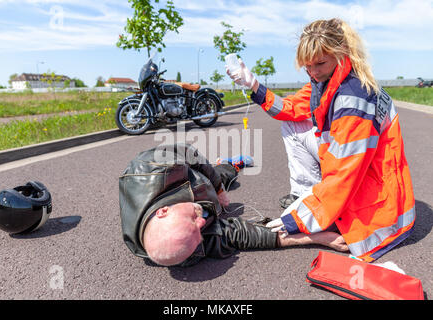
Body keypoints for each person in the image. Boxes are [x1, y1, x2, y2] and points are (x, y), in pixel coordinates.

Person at [226, 18, 415, 262]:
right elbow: (290, 108)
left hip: (376, 197)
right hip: (352, 167)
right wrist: (253, 85)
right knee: (293, 124)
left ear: (341, 53)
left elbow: (343, 177)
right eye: (307, 66)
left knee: (299, 220)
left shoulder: (353, 98)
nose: (313, 72)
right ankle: (307, 196)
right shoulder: (326, 80)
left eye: (319, 64)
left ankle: (321, 212)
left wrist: (296, 222)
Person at [119, 143, 347, 267]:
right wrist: (316, 238)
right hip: (202, 194)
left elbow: (189, 153)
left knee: (224, 176)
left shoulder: (150, 169)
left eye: (192, 219)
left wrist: (217, 189)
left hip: (198, 177)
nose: (203, 221)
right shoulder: (184, 247)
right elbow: (241, 236)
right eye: (199, 230)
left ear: (162, 211)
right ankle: (228, 168)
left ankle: (228, 166)